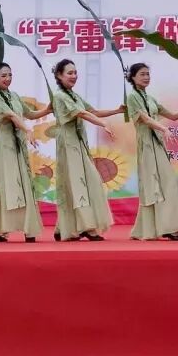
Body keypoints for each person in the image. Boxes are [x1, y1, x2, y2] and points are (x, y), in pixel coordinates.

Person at [51, 59, 120, 241]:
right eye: (69, 73)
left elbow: (91, 111)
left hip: (79, 144)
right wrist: (102, 123)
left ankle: (64, 228)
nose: (74, 76)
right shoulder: (60, 96)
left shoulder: (73, 95)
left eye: (75, 72)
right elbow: (81, 113)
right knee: (78, 184)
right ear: (59, 75)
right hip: (68, 144)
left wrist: (116, 111)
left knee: (86, 182)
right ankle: (86, 227)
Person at [0, 63, 52, 242]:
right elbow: (12, 116)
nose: (8, 79)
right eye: (3, 76)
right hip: (6, 145)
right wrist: (27, 130)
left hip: (19, 144)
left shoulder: (13, 95)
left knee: (24, 183)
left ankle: (23, 228)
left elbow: (28, 114)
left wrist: (48, 108)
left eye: (10, 75)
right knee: (9, 184)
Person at [126, 63, 178, 241]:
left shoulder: (151, 99)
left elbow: (174, 116)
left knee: (167, 183)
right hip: (147, 146)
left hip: (158, 145)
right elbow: (145, 119)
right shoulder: (133, 97)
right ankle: (159, 228)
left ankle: (167, 226)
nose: (146, 77)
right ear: (132, 77)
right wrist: (163, 128)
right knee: (153, 186)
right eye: (142, 74)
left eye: (148, 74)